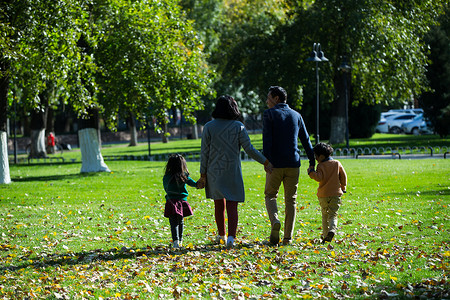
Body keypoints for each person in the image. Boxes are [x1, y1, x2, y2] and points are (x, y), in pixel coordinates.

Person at [197, 95, 273, 248]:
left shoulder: (209, 127)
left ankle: (221, 235)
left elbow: (204, 152)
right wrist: (265, 161)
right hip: (232, 171)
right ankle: (231, 238)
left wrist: (203, 174)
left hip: (214, 171)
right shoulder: (239, 126)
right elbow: (249, 149)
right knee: (232, 204)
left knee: (219, 203)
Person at [263, 86, 315, 245]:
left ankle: (275, 221)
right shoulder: (296, 115)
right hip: (294, 163)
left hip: (275, 164)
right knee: (291, 201)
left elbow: (267, 141)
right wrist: (312, 163)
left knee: (270, 195)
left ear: (276, 98)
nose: (266, 101)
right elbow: (306, 140)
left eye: (268, 97)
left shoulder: (269, 114)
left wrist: (267, 161)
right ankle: (287, 238)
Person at [308, 143, 347, 243]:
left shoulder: (320, 165)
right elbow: (343, 175)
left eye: (316, 156)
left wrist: (311, 172)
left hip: (323, 195)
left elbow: (319, 177)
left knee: (325, 215)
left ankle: (326, 236)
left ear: (321, 156)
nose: (315, 158)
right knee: (333, 215)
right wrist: (343, 186)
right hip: (335, 194)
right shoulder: (337, 163)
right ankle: (332, 230)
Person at [163, 154, 202, 248]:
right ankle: (180, 240)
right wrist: (198, 184)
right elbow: (193, 183)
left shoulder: (167, 177)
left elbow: (166, 188)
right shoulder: (184, 176)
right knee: (180, 221)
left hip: (171, 201)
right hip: (181, 201)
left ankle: (175, 241)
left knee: (173, 222)